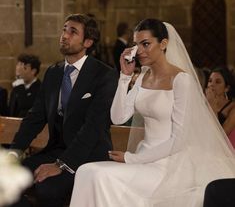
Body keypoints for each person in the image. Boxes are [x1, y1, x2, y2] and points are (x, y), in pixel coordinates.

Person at [69, 18, 235, 207]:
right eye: (136, 44)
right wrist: (125, 77)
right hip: (143, 158)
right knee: (85, 171)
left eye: (146, 44)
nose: (139, 50)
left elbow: (178, 141)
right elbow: (118, 117)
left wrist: (132, 158)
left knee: (98, 175)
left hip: (169, 165)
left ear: (163, 44)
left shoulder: (181, 80)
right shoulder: (142, 77)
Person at [9, 14, 118, 207]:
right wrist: (15, 152)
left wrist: (61, 165)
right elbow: (35, 117)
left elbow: (93, 128)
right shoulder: (53, 72)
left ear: (88, 42)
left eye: (73, 32)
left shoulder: (104, 75)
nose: (64, 36)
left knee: (46, 188)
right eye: (64, 29)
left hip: (87, 157)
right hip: (55, 151)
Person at [205, 67, 235, 147]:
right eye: (210, 81)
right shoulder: (203, 102)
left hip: (221, 149)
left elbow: (221, 137)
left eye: (217, 82)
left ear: (226, 88)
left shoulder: (233, 108)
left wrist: (212, 106)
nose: (212, 84)